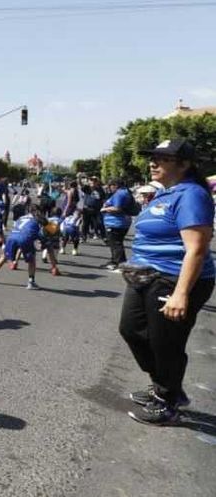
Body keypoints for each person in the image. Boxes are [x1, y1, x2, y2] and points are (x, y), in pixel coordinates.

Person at [118, 139, 215, 425]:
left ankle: (168, 401)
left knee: (165, 343)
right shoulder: (165, 194)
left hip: (173, 279)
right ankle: (166, 385)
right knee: (132, 331)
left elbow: (196, 248)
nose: (153, 163)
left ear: (184, 164)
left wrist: (181, 293)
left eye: (163, 159)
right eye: (153, 158)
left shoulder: (192, 194)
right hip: (146, 278)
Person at [0, 205, 58, 289]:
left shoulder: (21, 217)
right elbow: (53, 229)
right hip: (25, 238)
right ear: (38, 211)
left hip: (12, 236)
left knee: (4, 256)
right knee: (32, 260)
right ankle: (31, 282)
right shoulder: (39, 218)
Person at [101, 179, 137, 271]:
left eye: (110, 186)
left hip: (116, 223)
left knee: (116, 243)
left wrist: (105, 209)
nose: (109, 188)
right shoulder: (123, 192)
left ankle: (120, 264)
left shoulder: (120, 193)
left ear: (115, 185)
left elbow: (117, 208)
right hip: (118, 222)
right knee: (114, 243)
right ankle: (114, 261)